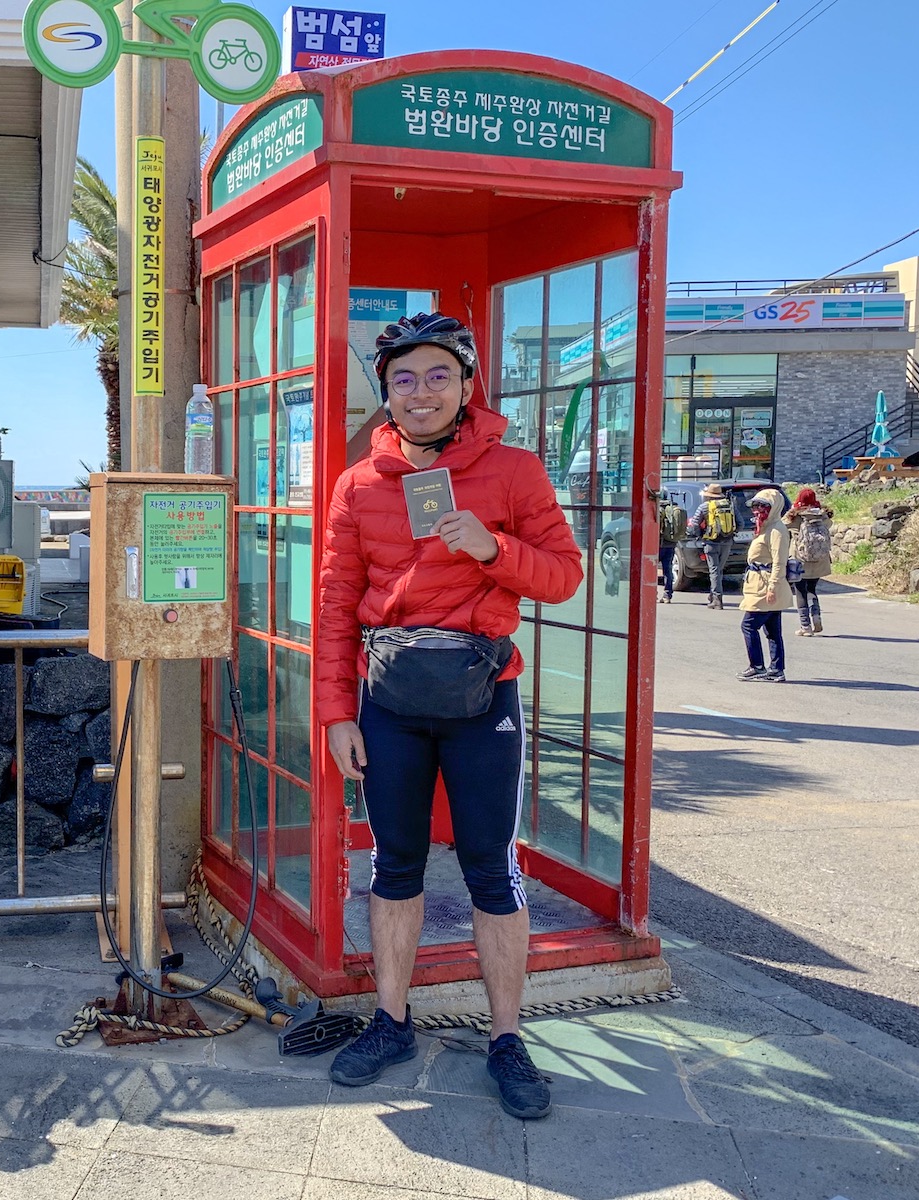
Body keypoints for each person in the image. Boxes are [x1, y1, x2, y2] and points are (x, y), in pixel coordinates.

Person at [316, 313, 583, 1121]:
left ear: (467, 385)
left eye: (438, 376)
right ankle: (391, 1020)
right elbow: (333, 606)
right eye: (404, 378)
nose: (421, 392)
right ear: (386, 393)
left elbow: (565, 576)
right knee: (392, 866)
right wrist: (335, 712)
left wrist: (491, 547)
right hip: (389, 701)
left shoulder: (514, 471)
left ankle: (507, 1036)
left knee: (490, 870)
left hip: (482, 699)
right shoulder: (358, 484)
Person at [739, 488, 792, 681]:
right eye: (755, 506)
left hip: (766, 584)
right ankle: (776, 669)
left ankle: (757, 666)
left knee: (748, 626)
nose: (757, 510)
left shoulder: (777, 530)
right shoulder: (766, 526)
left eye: (763, 506)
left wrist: (773, 587)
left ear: (774, 507)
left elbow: (780, 561)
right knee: (772, 630)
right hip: (758, 582)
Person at [784, 486, 833, 635]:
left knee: (800, 592)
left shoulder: (795, 518)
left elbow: (782, 524)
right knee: (812, 589)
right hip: (819, 559)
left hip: (800, 560)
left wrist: (793, 510)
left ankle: (805, 626)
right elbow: (829, 525)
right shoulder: (823, 517)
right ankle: (816, 617)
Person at [685, 483, 733, 609]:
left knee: (714, 570)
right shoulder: (730, 506)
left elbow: (695, 524)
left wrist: (700, 536)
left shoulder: (704, 507)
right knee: (719, 570)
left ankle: (717, 599)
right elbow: (740, 523)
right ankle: (713, 596)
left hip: (711, 543)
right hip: (727, 542)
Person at [657, 495, 686, 602]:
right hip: (671, 543)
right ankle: (667, 595)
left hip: (658, 544)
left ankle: (652, 593)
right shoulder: (673, 508)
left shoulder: (657, 508)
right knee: (667, 569)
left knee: (651, 569)